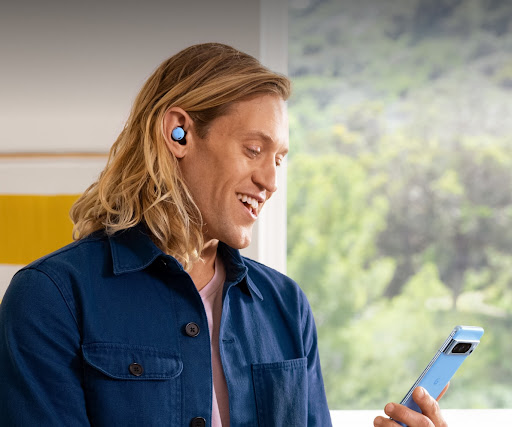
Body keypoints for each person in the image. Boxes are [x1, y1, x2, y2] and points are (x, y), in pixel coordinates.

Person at [0, 43, 447, 427]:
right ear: (179, 134)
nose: (270, 181)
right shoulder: (51, 298)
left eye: (279, 159)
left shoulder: (286, 306)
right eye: (254, 150)